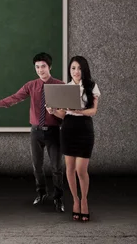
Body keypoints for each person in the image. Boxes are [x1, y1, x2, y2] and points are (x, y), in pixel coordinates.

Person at [0, 52, 66, 212]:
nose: (40, 70)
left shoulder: (60, 85)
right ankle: (41, 193)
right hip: (36, 132)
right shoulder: (30, 85)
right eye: (37, 67)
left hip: (53, 131)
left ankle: (58, 197)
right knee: (37, 166)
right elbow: (14, 98)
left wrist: (56, 111)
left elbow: (66, 112)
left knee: (56, 167)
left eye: (43, 66)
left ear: (50, 67)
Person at [47, 56, 100, 222]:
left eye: (78, 68)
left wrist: (79, 111)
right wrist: (53, 111)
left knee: (81, 170)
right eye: (72, 68)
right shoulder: (66, 88)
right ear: (69, 70)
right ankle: (75, 201)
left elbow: (93, 111)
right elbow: (63, 114)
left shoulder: (91, 86)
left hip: (84, 127)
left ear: (84, 69)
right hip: (68, 128)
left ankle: (84, 200)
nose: (75, 72)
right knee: (69, 168)